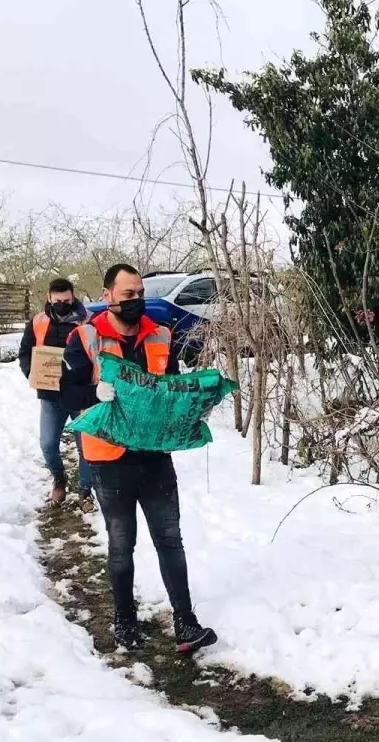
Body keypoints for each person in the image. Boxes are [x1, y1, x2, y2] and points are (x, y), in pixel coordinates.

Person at [60, 263, 217, 655]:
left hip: (154, 455)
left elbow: (171, 388)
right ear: (108, 294)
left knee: (170, 539)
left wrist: (192, 406)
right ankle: (125, 619)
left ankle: (185, 621)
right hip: (108, 458)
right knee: (121, 542)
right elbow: (66, 393)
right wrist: (93, 392)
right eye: (127, 294)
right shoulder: (86, 337)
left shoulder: (162, 334)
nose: (134, 301)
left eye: (139, 294)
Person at [18, 277, 93, 509]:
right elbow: (25, 352)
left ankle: (85, 490)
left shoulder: (88, 321)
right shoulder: (38, 322)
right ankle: (59, 479)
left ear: (73, 297)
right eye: (57, 300)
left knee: (86, 446)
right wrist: (33, 373)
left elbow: (98, 354)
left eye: (67, 300)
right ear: (49, 298)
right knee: (48, 443)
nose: (62, 304)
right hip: (50, 394)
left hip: (80, 394)